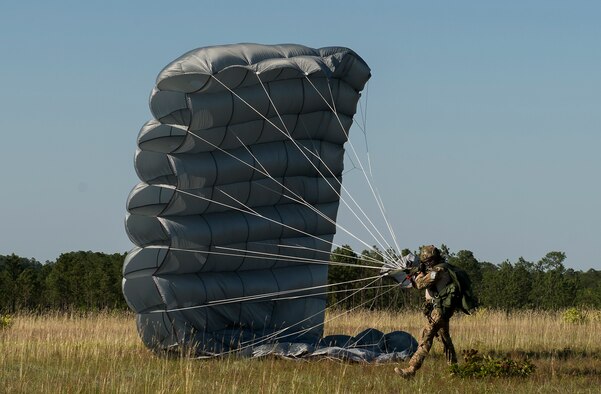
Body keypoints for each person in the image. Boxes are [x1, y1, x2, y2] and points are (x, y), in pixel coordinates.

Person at [394, 245, 458, 379]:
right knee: (445, 340)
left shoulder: (439, 270)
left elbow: (420, 284)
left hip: (438, 311)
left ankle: (412, 369)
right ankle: (454, 370)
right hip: (440, 310)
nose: (427, 263)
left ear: (433, 259)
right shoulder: (439, 268)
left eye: (428, 261)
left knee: (426, 337)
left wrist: (418, 274)